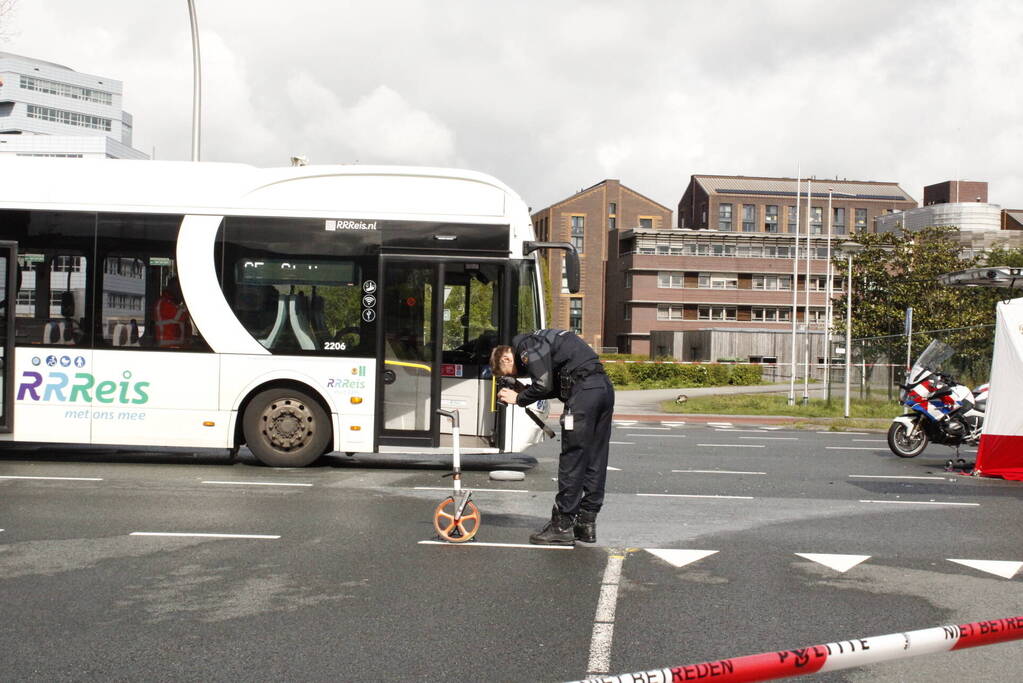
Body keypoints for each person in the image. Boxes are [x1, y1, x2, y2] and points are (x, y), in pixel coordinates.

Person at [491, 329, 615, 545]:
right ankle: (586, 522)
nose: (515, 375)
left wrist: (519, 398)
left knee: (573, 458)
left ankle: (562, 524)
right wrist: (525, 392)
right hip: (602, 389)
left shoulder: (526, 346)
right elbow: (557, 384)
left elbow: (544, 384)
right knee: (596, 456)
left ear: (507, 357)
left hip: (584, 395)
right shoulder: (547, 340)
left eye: (509, 372)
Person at [153, 276, 190, 348]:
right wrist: (188, 301)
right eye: (179, 289)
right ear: (173, 288)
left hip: (174, 347)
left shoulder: (172, 303)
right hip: (167, 348)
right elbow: (180, 315)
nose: (181, 292)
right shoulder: (163, 302)